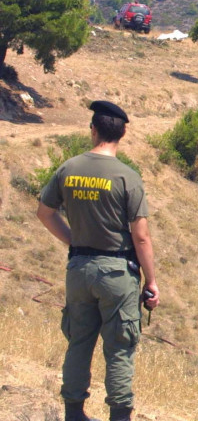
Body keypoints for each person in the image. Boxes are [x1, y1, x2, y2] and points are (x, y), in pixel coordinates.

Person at [36, 101, 159, 421]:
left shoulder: (69, 168)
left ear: (93, 130)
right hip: (117, 273)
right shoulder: (127, 178)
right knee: (119, 348)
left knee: (79, 342)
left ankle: (74, 412)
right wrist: (152, 281)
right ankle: (119, 415)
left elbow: (45, 213)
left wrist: (73, 240)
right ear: (123, 134)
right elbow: (141, 237)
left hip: (78, 268)